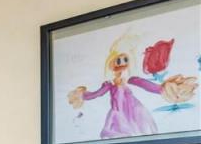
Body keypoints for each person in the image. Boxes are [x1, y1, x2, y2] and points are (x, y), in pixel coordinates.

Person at [68, 34, 197, 138]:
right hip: (118, 113)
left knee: (137, 131)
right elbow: (97, 93)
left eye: (125, 60)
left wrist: (162, 89)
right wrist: (83, 95)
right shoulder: (109, 84)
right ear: (111, 62)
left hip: (134, 112)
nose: (122, 64)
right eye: (118, 60)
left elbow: (146, 85)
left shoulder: (130, 80)